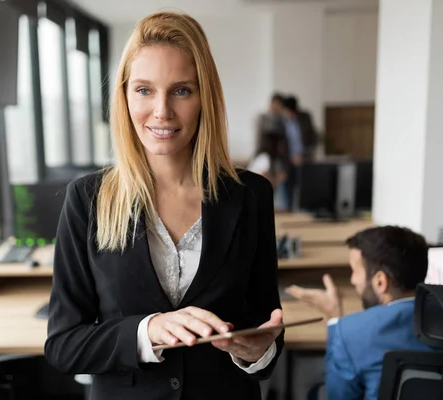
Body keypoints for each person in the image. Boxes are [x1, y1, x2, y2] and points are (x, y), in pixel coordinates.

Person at [44, 11, 284, 400]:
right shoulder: (87, 199)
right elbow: (63, 345)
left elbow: (264, 327)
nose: (162, 111)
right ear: (124, 96)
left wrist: (258, 353)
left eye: (181, 90)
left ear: (205, 97)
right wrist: (147, 331)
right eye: (144, 90)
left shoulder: (251, 195)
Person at [285, 226, 434, 400]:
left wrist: (335, 319)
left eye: (355, 271)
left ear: (380, 281)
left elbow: (338, 396)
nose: (352, 280)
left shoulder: (351, 332)